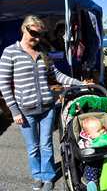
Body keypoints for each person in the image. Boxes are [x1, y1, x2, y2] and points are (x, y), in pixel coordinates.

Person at [0, 15, 85, 191]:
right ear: (24, 28)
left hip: (47, 108)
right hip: (25, 111)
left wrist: (79, 83)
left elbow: (57, 75)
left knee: (46, 144)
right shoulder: (10, 52)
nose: (37, 38)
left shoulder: (43, 52)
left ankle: (47, 177)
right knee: (33, 147)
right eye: (34, 33)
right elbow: (4, 84)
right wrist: (14, 111)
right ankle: (37, 175)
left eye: (40, 34)